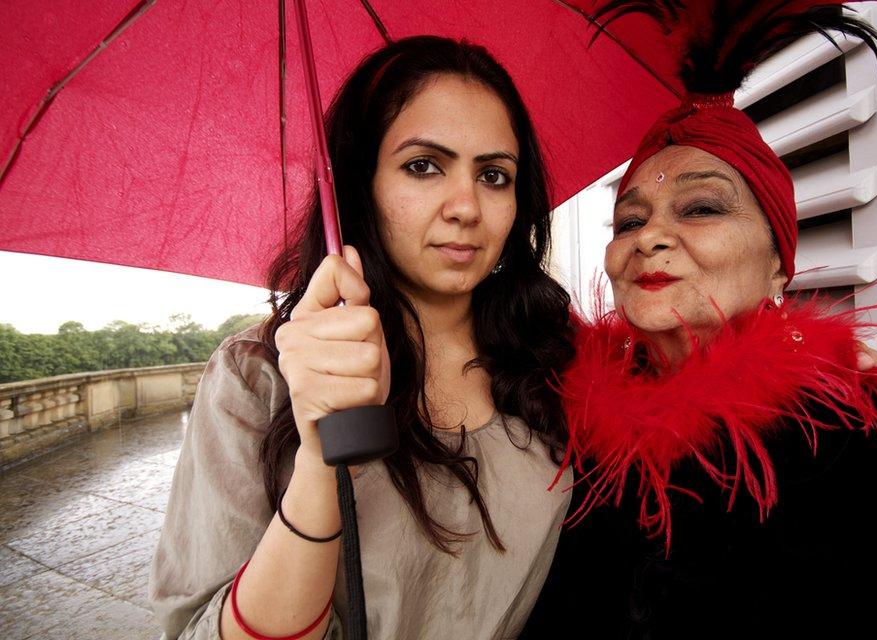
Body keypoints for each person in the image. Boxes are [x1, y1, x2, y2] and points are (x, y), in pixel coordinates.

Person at [522, 1, 877, 637]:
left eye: (702, 208)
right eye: (629, 220)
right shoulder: (563, 427)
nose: (650, 236)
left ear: (778, 268)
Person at [149, 36, 575, 640]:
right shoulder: (257, 376)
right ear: (360, 184)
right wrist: (322, 462)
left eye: (494, 175)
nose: (466, 207)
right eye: (423, 165)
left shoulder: (555, 362)